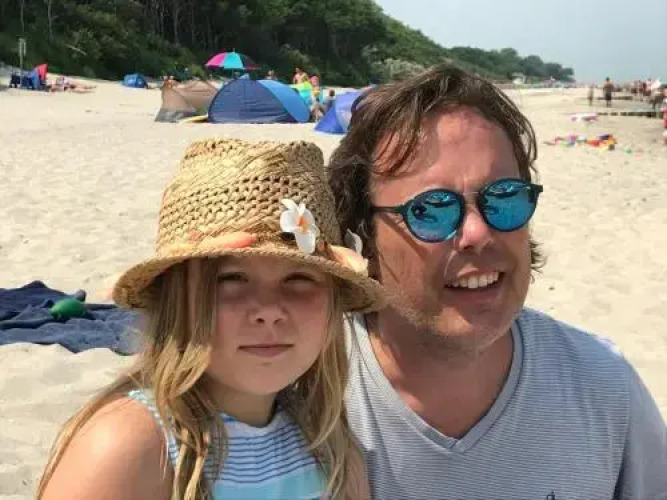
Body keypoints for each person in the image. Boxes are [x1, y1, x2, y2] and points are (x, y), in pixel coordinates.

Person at [328, 65, 667, 499]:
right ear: (362, 238)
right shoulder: (299, 397)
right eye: (431, 209)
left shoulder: (602, 385)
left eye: (504, 197)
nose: (478, 233)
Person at [37, 138, 386, 500]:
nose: (269, 310)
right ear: (175, 299)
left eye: (298, 278)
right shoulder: (132, 448)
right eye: (231, 278)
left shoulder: (332, 451)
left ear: (332, 303)